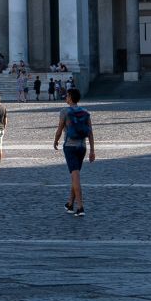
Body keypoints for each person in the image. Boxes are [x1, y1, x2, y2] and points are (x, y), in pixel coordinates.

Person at [53, 87, 95, 217]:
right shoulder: (85, 112)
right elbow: (90, 132)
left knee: (75, 176)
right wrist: (92, 150)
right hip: (82, 147)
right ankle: (70, 204)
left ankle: (80, 207)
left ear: (70, 97)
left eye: (67, 96)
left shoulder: (64, 111)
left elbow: (60, 129)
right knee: (75, 175)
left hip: (70, 146)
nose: (66, 98)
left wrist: (55, 141)